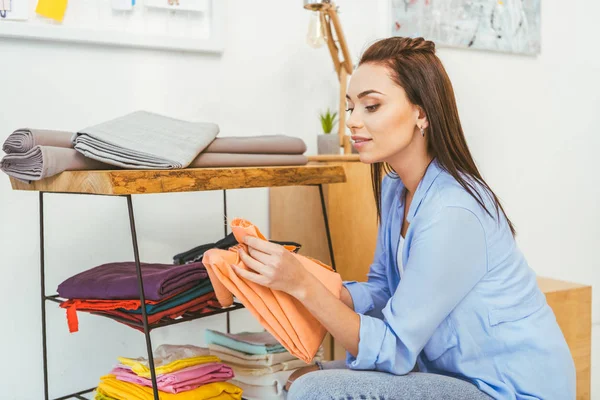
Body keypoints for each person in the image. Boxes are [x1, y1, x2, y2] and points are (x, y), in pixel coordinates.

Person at [231, 37, 576, 399]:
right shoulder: (396, 189)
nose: (353, 121)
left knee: (315, 392)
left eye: (371, 106)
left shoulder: (452, 212)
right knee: (294, 380)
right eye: (351, 107)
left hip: (508, 390)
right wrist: (292, 275)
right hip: (447, 374)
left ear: (421, 113)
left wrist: (303, 285)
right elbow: (382, 291)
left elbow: (392, 349)